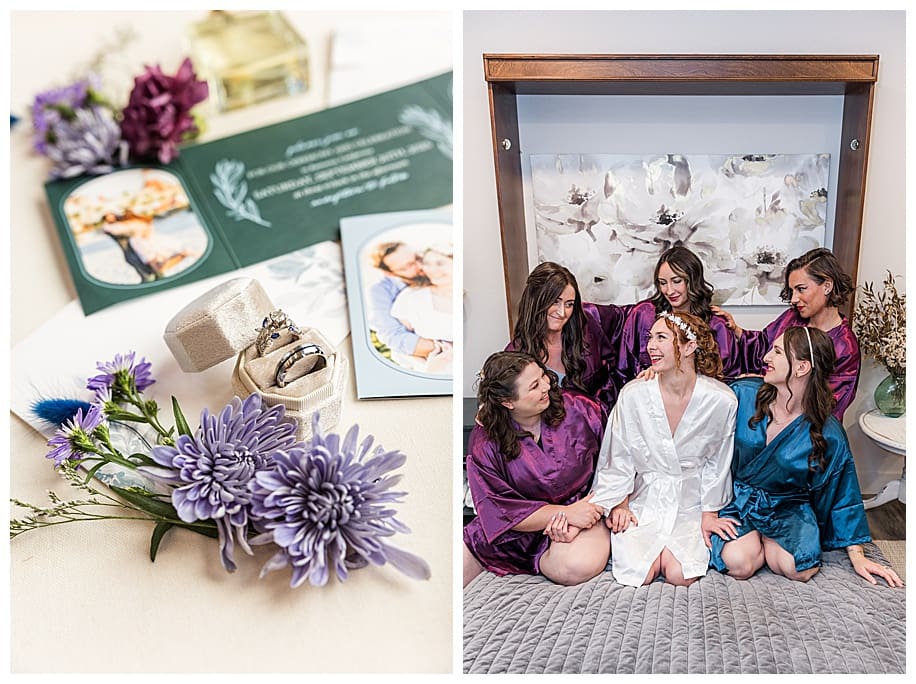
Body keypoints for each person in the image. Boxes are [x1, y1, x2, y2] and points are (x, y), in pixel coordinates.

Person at [709, 326, 902, 588]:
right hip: (740, 499)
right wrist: (657, 378)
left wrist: (858, 556)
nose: (766, 358)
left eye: (776, 352)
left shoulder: (827, 431)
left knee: (799, 568)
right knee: (738, 563)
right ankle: (757, 541)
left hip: (789, 507)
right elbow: (699, 400)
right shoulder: (743, 394)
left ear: (801, 368)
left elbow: (843, 490)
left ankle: (768, 540)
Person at [590, 311, 738, 587]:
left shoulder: (721, 401)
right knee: (638, 574)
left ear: (689, 346)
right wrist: (620, 503)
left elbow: (718, 462)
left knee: (682, 575)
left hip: (689, 501)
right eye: (650, 338)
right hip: (643, 497)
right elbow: (619, 452)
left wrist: (710, 513)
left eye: (661, 338)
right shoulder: (634, 394)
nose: (650, 346)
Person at [463, 351, 609, 588]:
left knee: (576, 566)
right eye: (534, 386)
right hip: (515, 531)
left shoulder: (581, 410)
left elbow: (618, 462)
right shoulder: (486, 442)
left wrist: (581, 513)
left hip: (584, 510)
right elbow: (497, 509)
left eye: (543, 376)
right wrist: (561, 514)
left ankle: (551, 553)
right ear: (507, 402)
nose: (546, 386)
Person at [716, 247, 860, 421]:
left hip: (803, 434)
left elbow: (829, 402)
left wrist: (766, 384)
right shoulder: (792, 317)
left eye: (801, 289)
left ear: (827, 286)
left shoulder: (845, 346)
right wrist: (736, 331)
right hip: (765, 417)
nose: (793, 299)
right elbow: (763, 346)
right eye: (792, 291)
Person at [507, 261, 628, 412]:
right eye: (555, 302)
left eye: (569, 304)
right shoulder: (516, 353)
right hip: (551, 433)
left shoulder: (587, 324)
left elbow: (631, 319)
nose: (562, 312)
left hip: (596, 424)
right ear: (536, 300)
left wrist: (649, 367)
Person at [618, 246, 742, 383]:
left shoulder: (716, 324)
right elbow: (624, 368)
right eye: (663, 283)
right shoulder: (644, 314)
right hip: (647, 398)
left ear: (693, 280)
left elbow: (726, 378)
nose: (669, 291)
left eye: (677, 281)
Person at [368, 241, 444, 361]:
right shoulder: (380, 291)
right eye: (408, 266)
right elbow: (393, 336)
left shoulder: (435, 270)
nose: (419, 266)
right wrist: (447, 349)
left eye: (417, 258)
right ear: (390, 273)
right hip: (427, 355)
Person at [389, 246, 453, 373]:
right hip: (427, 371)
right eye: (427, 264)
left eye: (440, 263)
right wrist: (429, 368)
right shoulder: (410, 298)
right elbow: (398, 344)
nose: (432, 270)